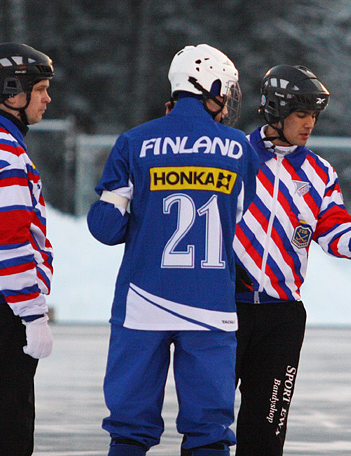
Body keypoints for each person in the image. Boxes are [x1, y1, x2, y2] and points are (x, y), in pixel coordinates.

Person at [232, 64, 351, 456]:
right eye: (301, 114)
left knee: (266, 433)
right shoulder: (233, 156)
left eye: (314, 116)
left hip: (281, 318)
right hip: (224, 311)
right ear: (275, 111)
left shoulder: (319, 172)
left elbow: (336, 233)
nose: (309, 125)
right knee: (209, 425)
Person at [86, 44, 259, 456]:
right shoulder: (239, 148)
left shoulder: (134, 142)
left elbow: (106, 229)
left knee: (129, 429)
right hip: (209, 303)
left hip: (143, 299)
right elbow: (237, 212)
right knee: (209, 431)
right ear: (211, 88)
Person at [0, 42, 55, 456]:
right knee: (3, 430)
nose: (47, 98)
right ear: (12, 93)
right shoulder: (4, 154)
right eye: (39, 89)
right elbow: (7, 239)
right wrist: (32, 311)